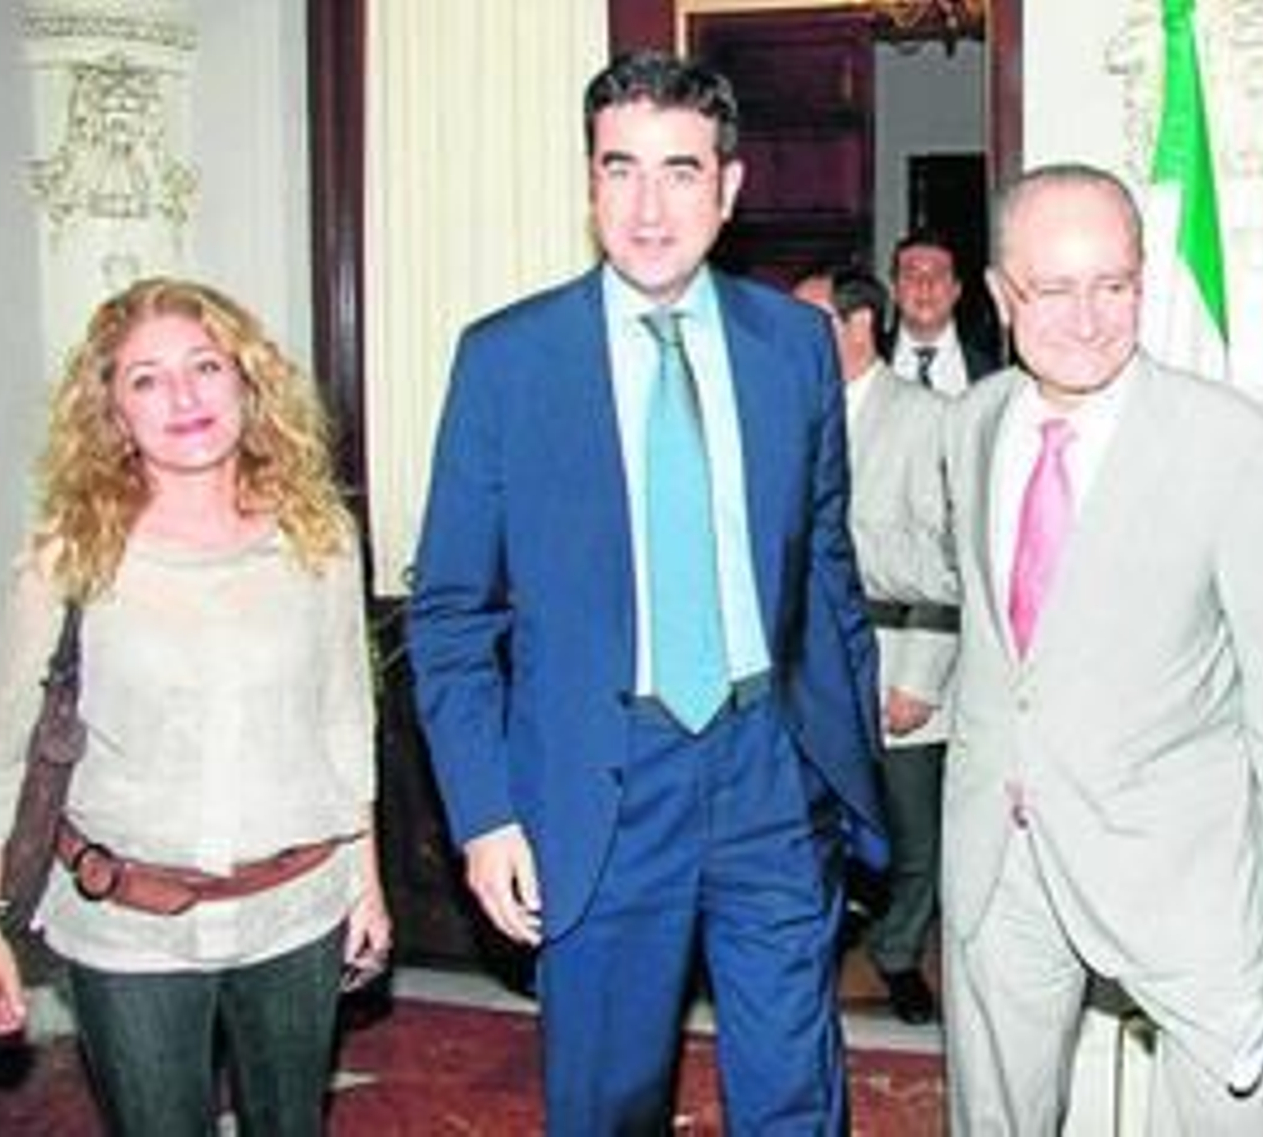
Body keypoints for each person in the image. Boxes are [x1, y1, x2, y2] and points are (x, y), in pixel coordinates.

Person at [408, 50, 884, 1134]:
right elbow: (448, 617)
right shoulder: (507, 361)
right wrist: (485, 815)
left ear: (728, 188)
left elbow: (825, 568)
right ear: (588, 184)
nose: (648, 206)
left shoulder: (794, 348)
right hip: (603, 782)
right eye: (619, 170)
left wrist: (843, 768)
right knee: (606, 1102)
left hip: (772, 775)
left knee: (796, 1095)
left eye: (679, 172)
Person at [852, 163, 1263, 1133]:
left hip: (1183, 872)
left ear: (1140, 283)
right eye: (1053, 289)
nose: (1086, 319)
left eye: (1112, 285)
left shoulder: (1229, 445)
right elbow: (943, 573)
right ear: (1000, 295)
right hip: (1000, 862)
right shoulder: (976, 423)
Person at [0, 278, 392, 1136]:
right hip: (127, 928)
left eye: (205, 366)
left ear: (248, 382)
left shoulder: (319, 535)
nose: (184, 397)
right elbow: (1, 751)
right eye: (146, 379)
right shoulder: (68, 554)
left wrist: (364, 879)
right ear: (113, 411)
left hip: (295, 910)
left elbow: (346, 720)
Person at [793, 265, 954, 1026]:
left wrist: (922, 674)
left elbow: (944, 554)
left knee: (913, 833)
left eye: (809, 321)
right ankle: (816, 951)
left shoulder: (925, 418)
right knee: (816, 826)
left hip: (898, 667)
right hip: (808, 675)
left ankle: (897, 952)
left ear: (858, 327)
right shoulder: (790, 409)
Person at [889, 229, 995, 397]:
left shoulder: (995, 373)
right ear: (893, 290)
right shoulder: (865, 364)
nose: (925, 286)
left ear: (956, 290)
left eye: (938, 274)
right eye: (912, 275)